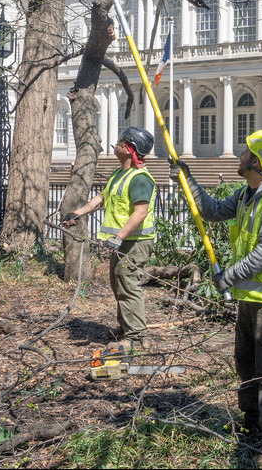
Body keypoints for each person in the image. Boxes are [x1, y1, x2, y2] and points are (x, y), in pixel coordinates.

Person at [172, 129, 262, 467]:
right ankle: (253, 423)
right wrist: (188, 181)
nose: (240, 156)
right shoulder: (248, 193)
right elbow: (212, 211)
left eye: (246, 152)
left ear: (256, 163)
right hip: (251, 297)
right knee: (246, 361)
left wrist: (228, 277)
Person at [63, 126, 157, 354]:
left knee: (127, 285)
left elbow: (140, 212)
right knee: (118, 284)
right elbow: (101, 198)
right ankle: (127, 328)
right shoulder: (119, 174)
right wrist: (78, 213)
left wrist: (118, 236)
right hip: (123, 242)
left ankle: (136, 337)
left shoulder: (139, 179)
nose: (114, 144)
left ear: (129, 148)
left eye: (119, 142)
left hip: (135, 242)